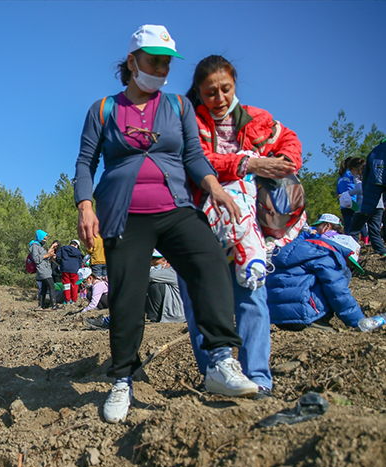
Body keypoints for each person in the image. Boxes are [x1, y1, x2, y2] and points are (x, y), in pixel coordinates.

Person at [74, 25, 257, 423]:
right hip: (124, 215)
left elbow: (193, 156)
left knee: (209, 263)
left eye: (166, 62)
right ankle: (122, 381)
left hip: (175, 208)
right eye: (153, 60)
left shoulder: (178, 106)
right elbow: (86, 162)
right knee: (127, 294)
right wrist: (85, 206)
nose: (160, 68)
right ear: (132, 62)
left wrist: (215, 188)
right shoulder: (103, 109)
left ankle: (221, 363)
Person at [181, 54, 303, 399]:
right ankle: (213, 373)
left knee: (252, 291)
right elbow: (197, 160)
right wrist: (249, 162)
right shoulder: (190, 123)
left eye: (225, 89)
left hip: (247, 222)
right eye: (210, 93)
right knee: (198, 298)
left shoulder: (258, 119)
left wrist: (284, 162)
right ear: (199, 93)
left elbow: (289, 139)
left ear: (234, 85)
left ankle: (259, 378)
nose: (219, 99)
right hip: (199, 218)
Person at [266, 233, 365, 330]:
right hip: (303, 315)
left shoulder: (300, 250)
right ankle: (319, 320)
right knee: (334, 283)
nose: (349, 267)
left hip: (275, 315)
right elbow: (339, 293)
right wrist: (359, 323)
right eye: (350, 264)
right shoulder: (327, 257)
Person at [349, 142, 386, 256]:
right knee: (374, 230)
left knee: (354, 230)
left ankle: (351, 251)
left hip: (368, 204)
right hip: (378, 205)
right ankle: (381, 252)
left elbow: (366, 187)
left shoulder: (377, 153)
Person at [146, 250, 185, 323]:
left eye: (155, 259)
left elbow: (150, 276)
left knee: (154, 285)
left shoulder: (173, 271)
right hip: (180, 312)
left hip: (175, 314)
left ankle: (154, 317)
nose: (152, 261)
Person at [29, 231, 59, 310]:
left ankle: (41, 305)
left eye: (46, 239)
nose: (44, 241)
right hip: (42, 270)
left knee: (44, 288)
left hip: (46, 269)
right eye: (43, 239)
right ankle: (54, 306)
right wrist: (47, 255)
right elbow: (36, 259)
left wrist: (50, 257)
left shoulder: (40, 246)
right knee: (51, 286)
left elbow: (44, 259)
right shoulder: (34, 246)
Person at [56, 240, 85, 305]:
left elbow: (57, 257)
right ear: (77, 245)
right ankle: (74, 301)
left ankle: (67, 300)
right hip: (75, 269)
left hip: (64, 269)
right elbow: (80, 261)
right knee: (74, 285)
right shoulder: (78, 251)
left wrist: (61, 263)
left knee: (66, 285)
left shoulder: (63, 248)